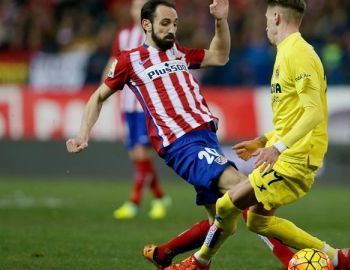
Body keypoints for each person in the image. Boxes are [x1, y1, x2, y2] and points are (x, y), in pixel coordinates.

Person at [66, 0, 293, 268]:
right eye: (165, 23)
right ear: (146, 25)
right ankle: (293, 260)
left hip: (207, 139)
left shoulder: (178, 52)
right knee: (243, 188)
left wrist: (220, 21)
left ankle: (164, 253)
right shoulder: (129, 60)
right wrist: (83, 134)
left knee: (222, 224)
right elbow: (97, 97)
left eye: (174, 23)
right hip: (181, 143)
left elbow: (220, 56)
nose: (171, 29)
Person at [166, 0, 350, 270]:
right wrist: (263, 140)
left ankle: (199, 262)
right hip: (292, 154)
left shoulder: (299, 53)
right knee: (258, 221)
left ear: (277, 17)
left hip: (294, 158)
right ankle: (337, 258)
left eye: (268, 19)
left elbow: (313, 113)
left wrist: (277, 148)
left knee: (224, 206)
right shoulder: (287, 52)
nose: (266, 25)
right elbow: (293, 116)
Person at [104, 0, 171, 220]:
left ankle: (134, 201)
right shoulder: (123, 36)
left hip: (147, 105)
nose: (138, 10)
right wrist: (101, 90)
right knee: (136, 155)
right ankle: (160, 197)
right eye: (135, 6)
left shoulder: (158, 36)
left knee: (142, 152)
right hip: (127, 103)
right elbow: (113, 63)